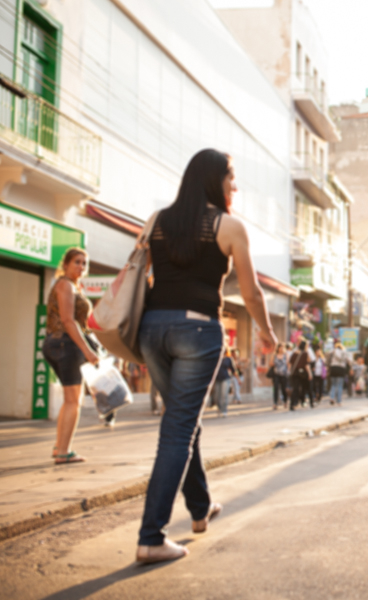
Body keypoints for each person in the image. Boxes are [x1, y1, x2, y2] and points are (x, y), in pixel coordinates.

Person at [136, 148, 278, 563]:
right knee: (178, 427)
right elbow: (250, 292)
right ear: (214, 179)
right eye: (231, 176)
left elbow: (141, 273)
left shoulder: (156, 220)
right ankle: (150, 536)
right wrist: (267, 332)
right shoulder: (229, 226)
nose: (235, 185)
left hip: (151, 330)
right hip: (197, 329)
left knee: (183, 418)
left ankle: (200, 509)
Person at [42, 248, 100, 464]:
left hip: (59, 343)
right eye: (77, 262)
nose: (81, 267)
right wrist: (87, 350)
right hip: (65, 344)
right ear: (65, 264)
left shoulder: (72, 286)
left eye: (84, 263)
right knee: (73, 400)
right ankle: (64, 451)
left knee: (70, 400)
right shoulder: (65, 284)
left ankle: (60, 447)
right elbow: (68, 320)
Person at [288, 340, 312, 409]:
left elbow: (289, 363)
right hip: (303, 374)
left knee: (295, 388)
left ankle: (292, 404)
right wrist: (310, 374)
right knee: (304, 388)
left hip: (295, 373)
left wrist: (290, 371)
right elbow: (307, 365)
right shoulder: (305, 353)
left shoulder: (294, 353)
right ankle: (304, 402)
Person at [327, 341, 351, 406]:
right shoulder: (344, 352)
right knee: (339, 385)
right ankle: (339, 401)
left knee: (333, 384)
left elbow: (328, 358)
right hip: (341, 369)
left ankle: (332, 397)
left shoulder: (333, 351)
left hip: (333, 368)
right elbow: (348, 360)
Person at [270, 344, 289, 409]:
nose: (281, 349)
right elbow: (270, 363)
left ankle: (285, 401)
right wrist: (273, 364)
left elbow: (288, 364)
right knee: (276, 389)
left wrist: (288, 372)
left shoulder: (286, 355)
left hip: (284, 374)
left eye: (282, 348)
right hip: (276, 374)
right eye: (280, 348)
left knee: (284, 389)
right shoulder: (274, 355)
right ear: (278, 348)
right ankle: (275, 403)